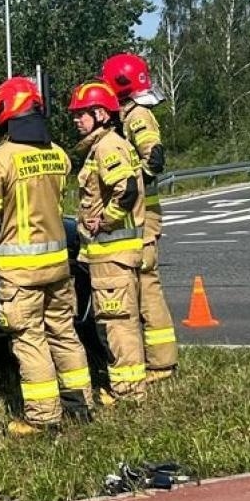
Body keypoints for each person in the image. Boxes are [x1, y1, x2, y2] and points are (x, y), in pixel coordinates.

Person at [0, 76, 92, 436]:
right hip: (57, 265)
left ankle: (43, 417)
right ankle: (80, 405)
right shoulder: (58, 155)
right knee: (64, 333)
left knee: (30, 338)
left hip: (19, 271)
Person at [68, 81, 147, 404]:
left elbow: (126, 190)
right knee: (114, 322)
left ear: (100, 114)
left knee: (117, 324)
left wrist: (106, 220)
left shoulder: (107, 147)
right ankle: (126, 387)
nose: (76, 120)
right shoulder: (104, 145)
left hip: (113, 254)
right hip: (107, 256)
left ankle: (128, 392)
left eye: (81, 114)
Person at [102, 52, 178, 382]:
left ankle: (160, 364)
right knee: (143, 287)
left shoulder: (137, 115)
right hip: (142, 216)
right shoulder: (131, 113)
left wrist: (132, 183)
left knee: (146, 288)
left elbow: (154, 157)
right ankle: (158, 360)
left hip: (143, 217)